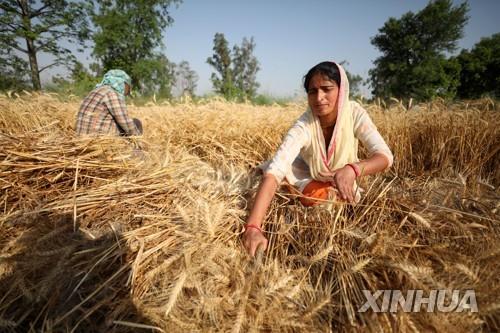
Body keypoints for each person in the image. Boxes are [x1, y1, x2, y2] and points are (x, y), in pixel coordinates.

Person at [243, 61, 394, 257]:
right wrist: (253, 227)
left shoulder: (354, 113)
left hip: (345, 176)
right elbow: (276, 171)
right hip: (304, 170)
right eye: (312, 91)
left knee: (349, 202)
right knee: (311, 194)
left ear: (342, 90)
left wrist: (353, 169)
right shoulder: (305, 124)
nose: (319, 97)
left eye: (327, 89)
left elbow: (384, 156)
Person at [76, 69, 143, 136]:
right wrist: (138, 139)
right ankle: (136, 146)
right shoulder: (111, 94)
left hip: (82, 139)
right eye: (128, 89)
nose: (127, 93)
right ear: (124, 84)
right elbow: (125, 122)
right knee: (136, 123)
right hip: (98, 139)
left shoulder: (95, 91)